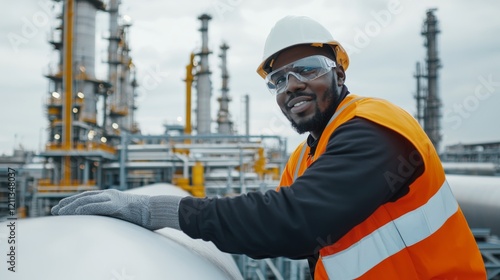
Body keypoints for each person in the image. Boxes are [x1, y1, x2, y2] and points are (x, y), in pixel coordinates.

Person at [52, 16, 486, 279]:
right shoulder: (303, 158)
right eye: (278, 80)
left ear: (338, 72)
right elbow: (299, 240)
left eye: (308, 69)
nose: (292, 86)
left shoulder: (374, 127)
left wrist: (156, 211)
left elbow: (295, 221)